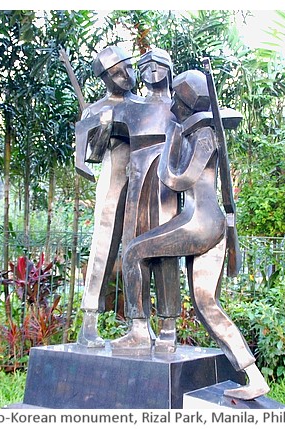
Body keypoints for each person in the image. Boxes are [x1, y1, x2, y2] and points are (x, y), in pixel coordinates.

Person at [119, 70, 270, 400]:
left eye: (177, 97)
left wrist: (171, 136)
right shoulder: (202, 132)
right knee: (205, 304)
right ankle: (253, 374)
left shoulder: (203, 136)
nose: (171, 101)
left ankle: (139, 331)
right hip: (206, 223)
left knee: (133, 252)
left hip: (200, 224)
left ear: (186, 104)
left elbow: (176, 180)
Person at [109, 48, 181, 352]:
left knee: (164, 252)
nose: (152, 71)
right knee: (131, 251)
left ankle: (168, 326)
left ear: (168, 68)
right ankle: (138, 326)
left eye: (158, 65)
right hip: (137, 181)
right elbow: (101, 138)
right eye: (146, 66)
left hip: (166, 182)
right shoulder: (129, 108)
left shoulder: (180, 107)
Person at [75, 46, 142, 347]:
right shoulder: (95, 109)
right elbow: (87, 158)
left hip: (145, 184)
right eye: (116, 72)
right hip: (114, 180)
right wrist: (103, 130)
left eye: (127, 67)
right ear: (104, 78)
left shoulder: (146, 104)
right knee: (103, 247)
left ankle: (140, 324)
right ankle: (89, 321)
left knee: (141, 250)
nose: (125, 75)